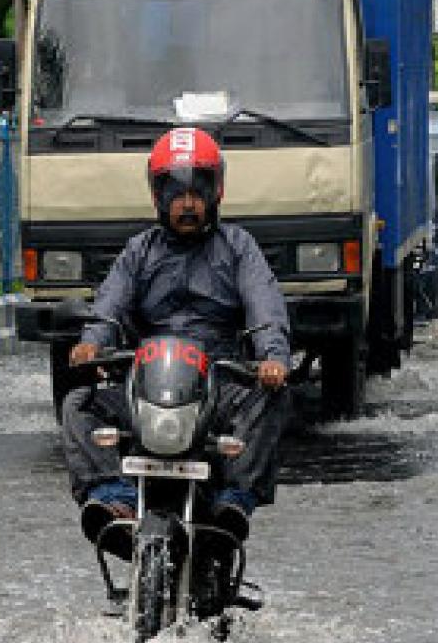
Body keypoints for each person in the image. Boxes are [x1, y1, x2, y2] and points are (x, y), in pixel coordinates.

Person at [61, 126, 292, 554]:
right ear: (158, 196)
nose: (187, 204)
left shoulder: (239, 247)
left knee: (272, 398)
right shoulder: (138, 252)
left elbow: (265, 307)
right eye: (176, 192)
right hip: (147, 388)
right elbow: (109, 303)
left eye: (197, 191)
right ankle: (114, 499)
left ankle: (234, 501)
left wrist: (273, 358)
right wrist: (92, 342)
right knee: (80, 403)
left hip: (219, 387)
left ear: (215, 193)